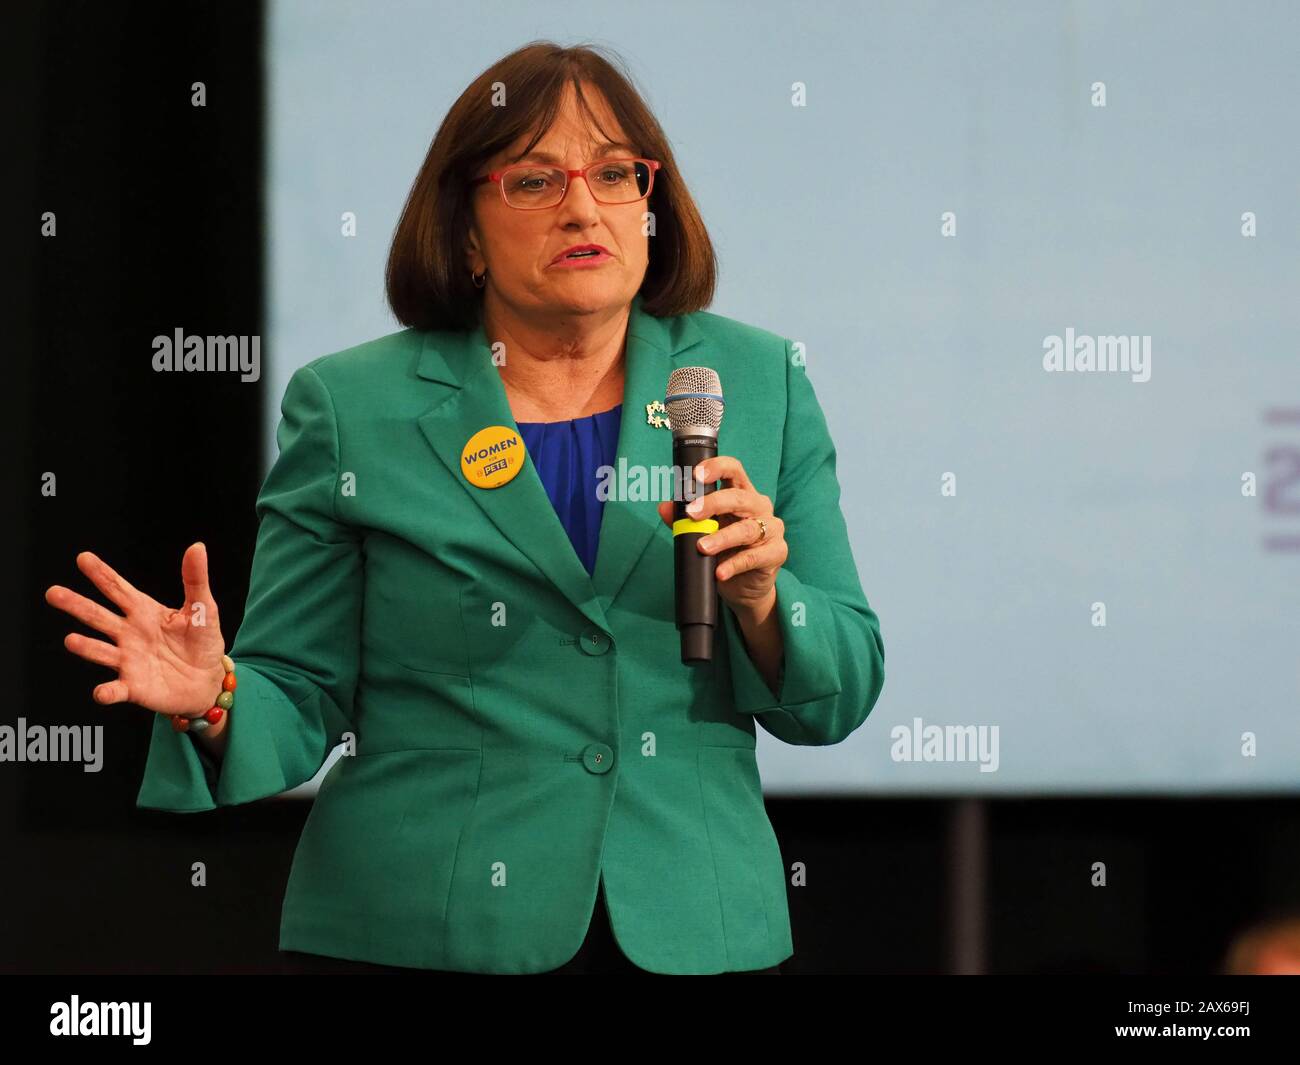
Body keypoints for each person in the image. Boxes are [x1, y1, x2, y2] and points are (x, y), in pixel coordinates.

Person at [43, 40, 885, 975]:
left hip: (695, 921)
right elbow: (300, 690)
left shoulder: (756, 381)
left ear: (652, 204)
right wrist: (217, 697)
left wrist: (767, 604)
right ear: (468, 230)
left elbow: (839, 689)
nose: (582, 206)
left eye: (615, 173)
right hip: (420, 928)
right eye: (534, 180)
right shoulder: (355, 407)